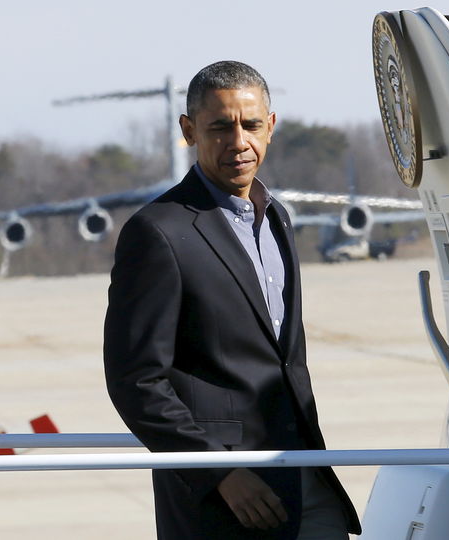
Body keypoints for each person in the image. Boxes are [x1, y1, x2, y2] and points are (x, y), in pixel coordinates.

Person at [103, 60, 361, 539]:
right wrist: (218, 472)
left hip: (306, 474)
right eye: (220, 127)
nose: (238, 141)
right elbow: (135, 379)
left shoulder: (277, 219)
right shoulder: (158, 232)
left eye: (251, 125)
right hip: (225, 501)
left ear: (271, 127)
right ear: (188, 130)